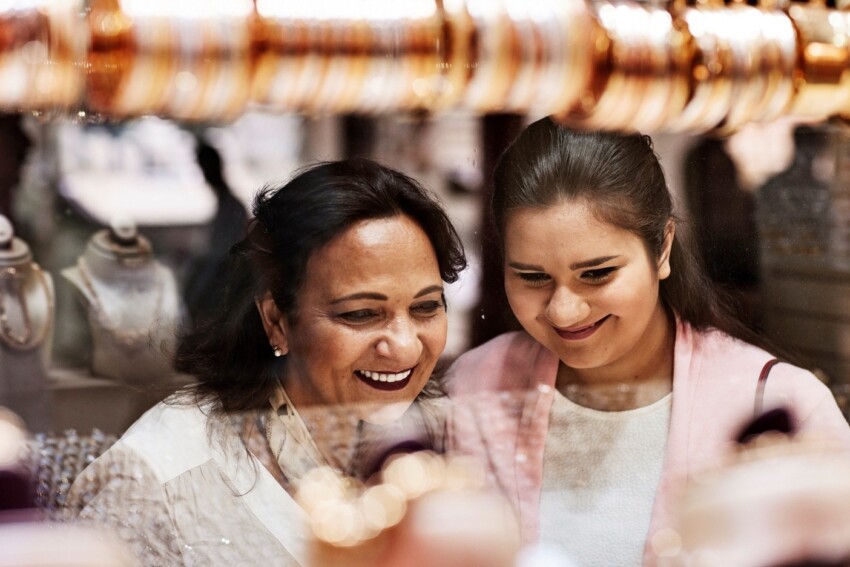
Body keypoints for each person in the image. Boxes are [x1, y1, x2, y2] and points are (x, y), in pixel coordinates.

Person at [443, 117, 850, 566]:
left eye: (596, 274)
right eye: (533, 277)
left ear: (662, 249)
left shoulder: (777, 402)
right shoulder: (477, 386)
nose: (564, 310)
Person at [66, 159, 467, 566]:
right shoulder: (155, 480)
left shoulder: (456, 437)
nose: (404, 347)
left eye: (426, 307)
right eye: (361, 314)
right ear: (276, 320)